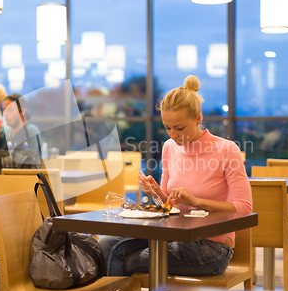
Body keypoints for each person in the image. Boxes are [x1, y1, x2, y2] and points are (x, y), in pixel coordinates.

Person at [98, 75, 252, 277]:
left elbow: (245, 208)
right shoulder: (170, 147)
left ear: (198, 119)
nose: (173, 135)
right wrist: (156, 192)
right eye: (167, 127)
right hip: (174, 235)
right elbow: (169, 205)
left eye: (179, 128)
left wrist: (197, 201)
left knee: (122, 261)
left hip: (211, 247)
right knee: (107, 244)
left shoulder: (226, 150)